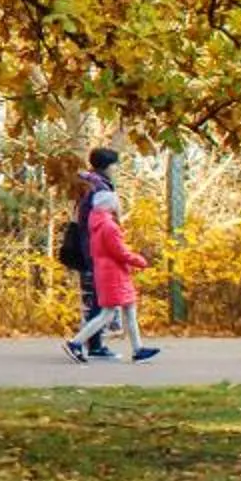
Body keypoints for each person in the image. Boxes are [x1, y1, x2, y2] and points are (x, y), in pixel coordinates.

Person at [67, 188, 161, 364]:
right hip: (114, 273)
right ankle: (76, 342)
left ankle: (138, 349)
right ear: (110, 205)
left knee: (128, 309)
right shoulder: (109, 226)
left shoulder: (96, 224)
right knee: (108, 313)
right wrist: (139, 260)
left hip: (107, 271)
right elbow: (119, 251)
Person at [62, 147, 119, 360]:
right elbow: (106, 219)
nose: (116, 168)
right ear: (107, 166)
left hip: (87, 245)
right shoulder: (100, 188)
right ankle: (89, 343)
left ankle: (93, 342)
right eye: (114, 164)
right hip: (97, 247)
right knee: (101, 298)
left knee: (96, 296)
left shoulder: (86, 183)